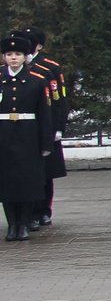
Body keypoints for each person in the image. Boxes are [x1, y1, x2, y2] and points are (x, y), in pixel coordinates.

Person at [0, 32, 54, 242]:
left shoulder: (36, 81)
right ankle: (11, 224)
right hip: (4, 135)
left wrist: (46, 142)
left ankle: (23, 223)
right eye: (9, 54)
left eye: (18, 54)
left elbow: (44, 114)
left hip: (28, 135)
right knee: (6, 182)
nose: (13, 58)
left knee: (27, 181)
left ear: (25, 57)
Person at [19, 27, 66, 230]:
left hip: (46, 125)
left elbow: (58, 100)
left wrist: (58, 127)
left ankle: (44, 210)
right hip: (24, 128)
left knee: (46, 172)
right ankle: (27, 213)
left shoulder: (48, 68)